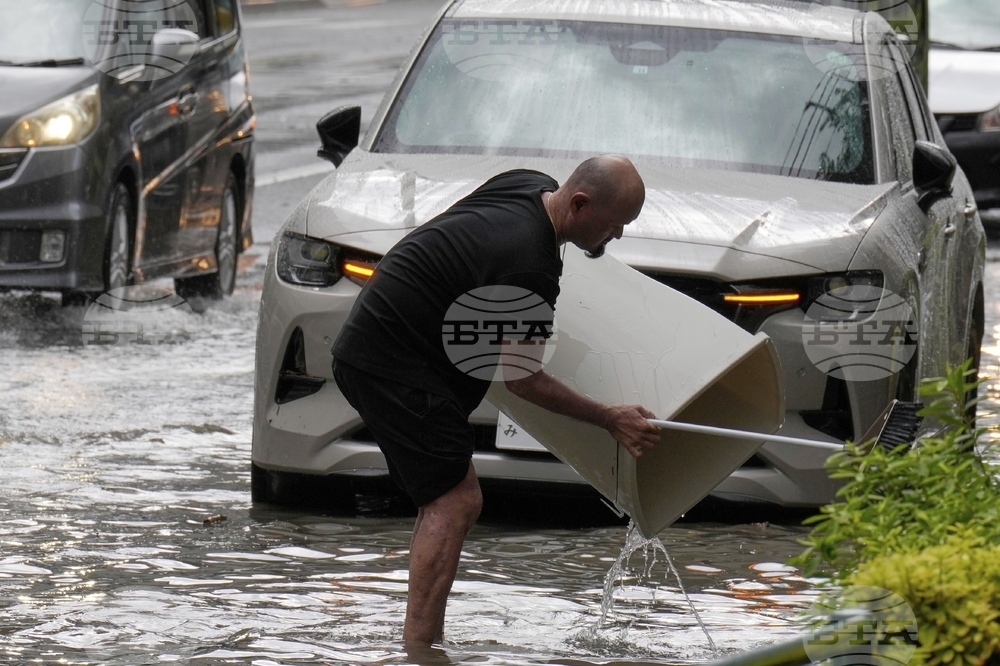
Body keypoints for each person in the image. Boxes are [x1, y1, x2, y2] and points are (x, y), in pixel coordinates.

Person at [331, 154, 661, 646]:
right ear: (579, 203)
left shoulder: (528, 185)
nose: (616, 237)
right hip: (392, 362)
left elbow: (465, 252)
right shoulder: (529, 265)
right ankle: (421, 648)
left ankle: (420, 641)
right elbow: (522, 379)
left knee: (443, 496)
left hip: (382, 336)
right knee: (455, 500)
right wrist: (608, 418)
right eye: (614, 225)